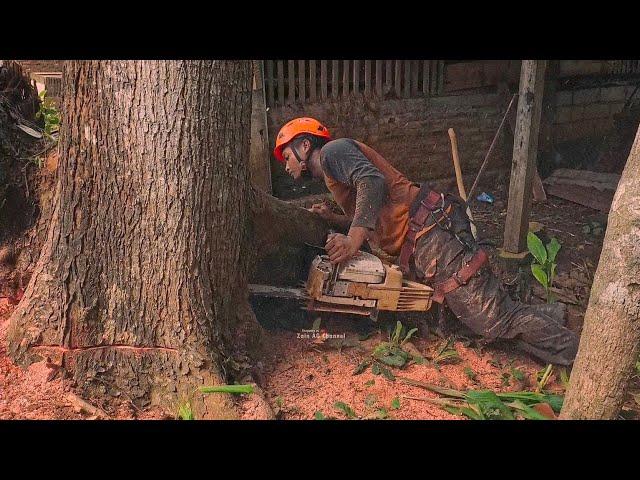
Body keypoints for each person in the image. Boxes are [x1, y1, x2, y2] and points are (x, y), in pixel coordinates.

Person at [273, 117, 579, 366]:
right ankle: (563, 318)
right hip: (423, 237)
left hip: (430, 234)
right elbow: (375, 216)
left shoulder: (331, 152)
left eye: (287, 157)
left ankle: (579, 354)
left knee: (493, 320)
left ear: (304, 145)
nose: (286, 166)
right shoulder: (333, 171)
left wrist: (352, 241)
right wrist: (334, 218)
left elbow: (373, 182)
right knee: (480, 317)